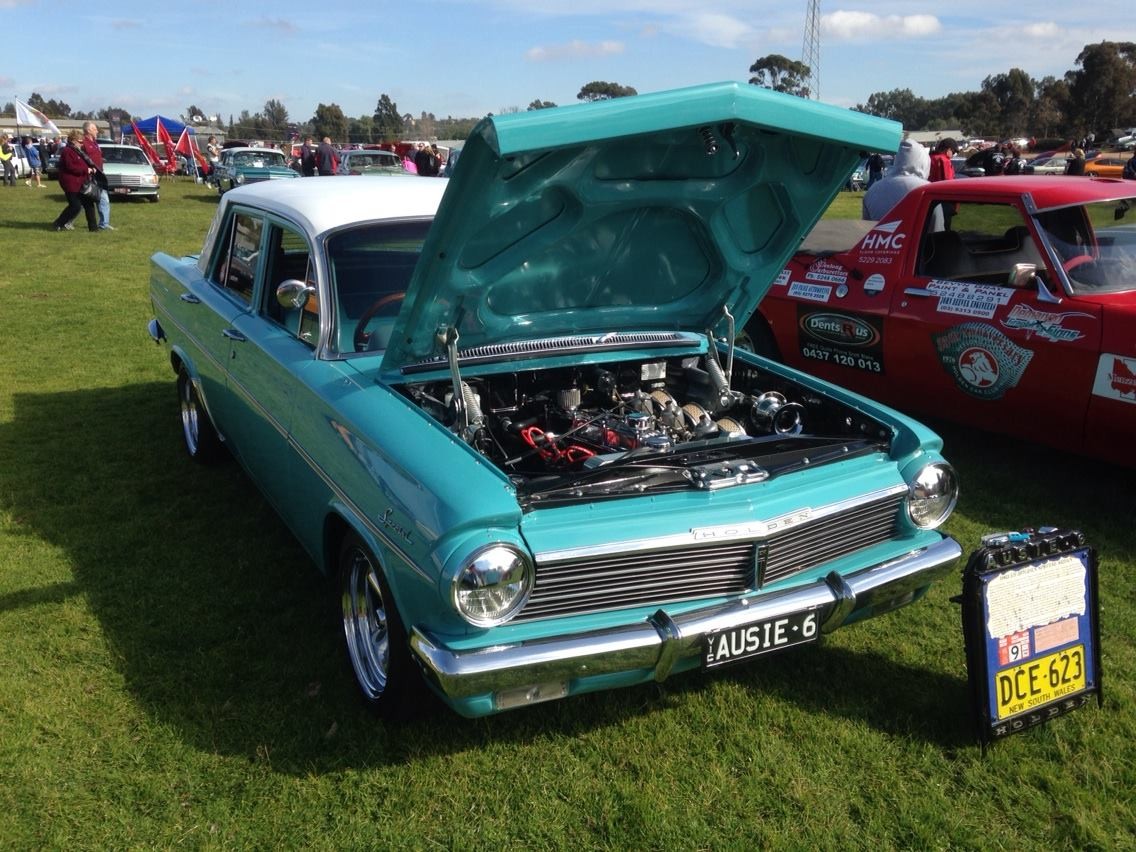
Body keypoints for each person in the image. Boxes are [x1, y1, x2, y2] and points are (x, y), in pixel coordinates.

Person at [862, 138, 931, 220]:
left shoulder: (872, 191)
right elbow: (937, 226)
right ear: (924, 161)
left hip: (882, 232)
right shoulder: (928, 189)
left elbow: (866, 228)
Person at [51, 129, 99, 232]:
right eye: (80, 141)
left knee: (89, 204)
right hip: (71, 184)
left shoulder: (78, 151)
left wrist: (91, 167)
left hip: (82, 183)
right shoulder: (67, 151)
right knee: (75, 206)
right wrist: (86, 169)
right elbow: (70, 167)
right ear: (73, 140)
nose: (82, 144)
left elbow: (83, 163)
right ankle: (58, 223)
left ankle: (93, 228)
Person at [82, 121, 112, 230]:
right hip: (89, 177)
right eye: (95, 129)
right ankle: (67, 221)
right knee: (81, 203)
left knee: (103, 199)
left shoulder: (95, 142)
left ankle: (104, 224)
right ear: (89, 130)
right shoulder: (83, 143)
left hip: (99, 176)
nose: (97, 131)